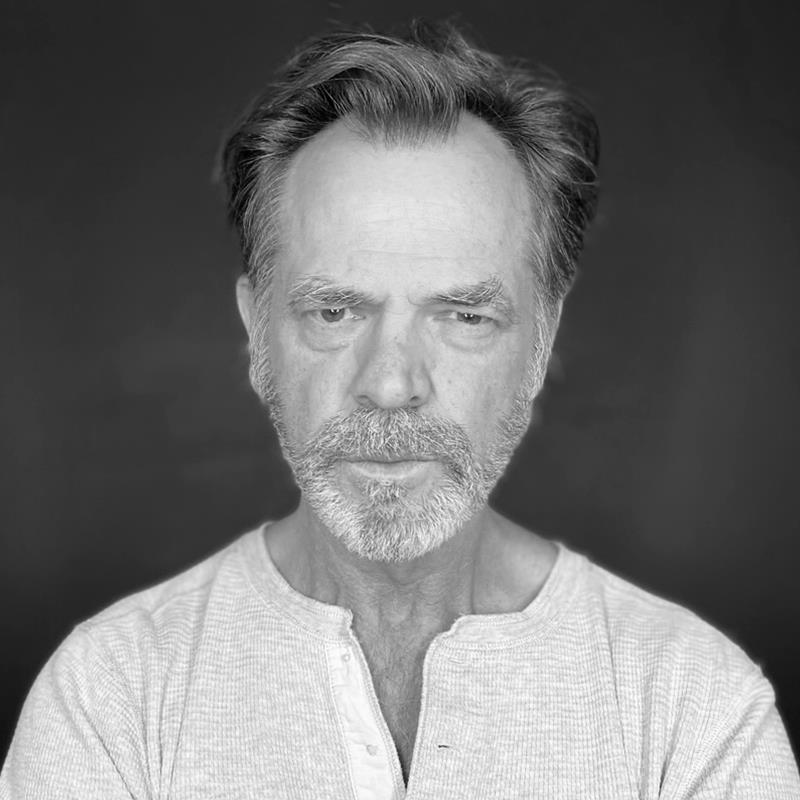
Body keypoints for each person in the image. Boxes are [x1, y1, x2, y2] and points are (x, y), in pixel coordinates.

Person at [1, 20, 798, 800]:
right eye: (335, 311)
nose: (390, 385)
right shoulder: (110, 699)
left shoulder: (695, 712)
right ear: (256, 331)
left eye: (464, 315)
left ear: (543, 338)